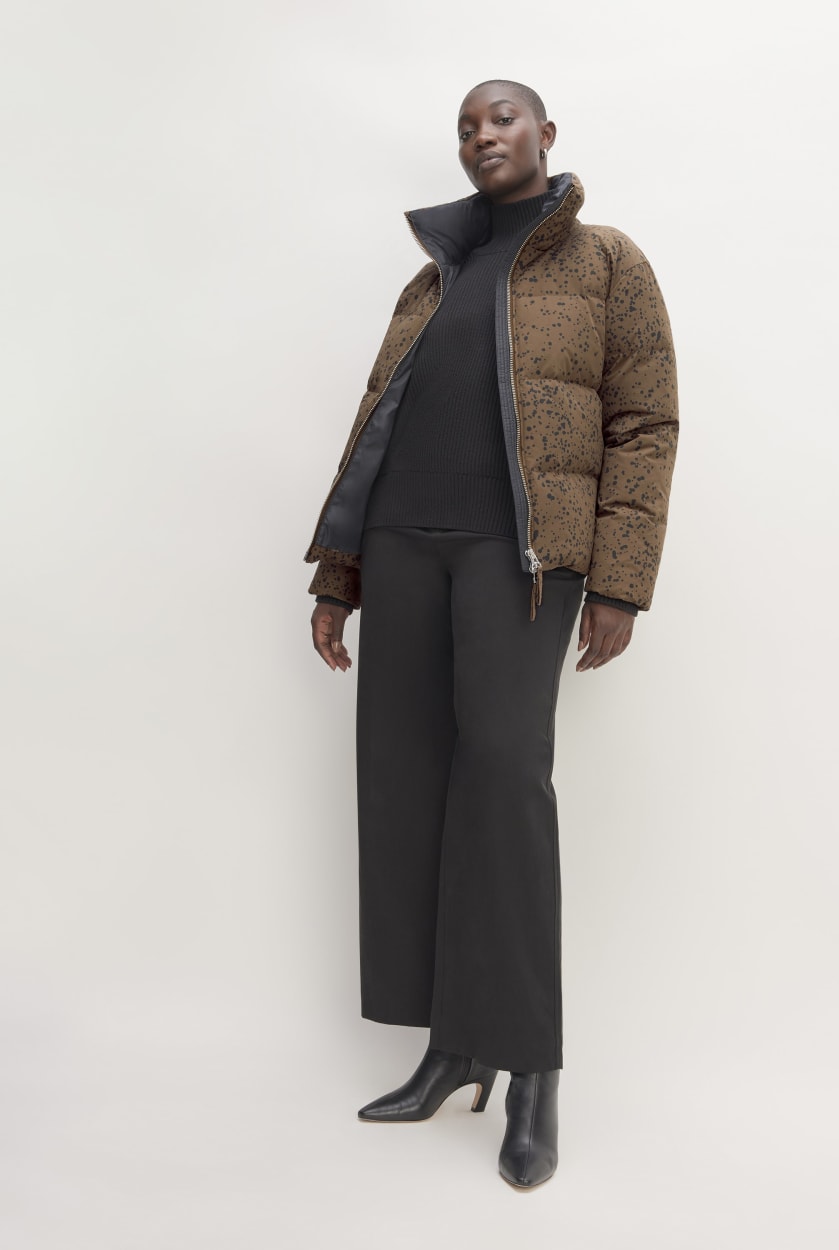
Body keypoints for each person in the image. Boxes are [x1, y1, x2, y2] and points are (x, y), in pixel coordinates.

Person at [303, 79, 679, 1189]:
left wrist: (618, 581)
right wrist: (341, 573)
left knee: (506, 784)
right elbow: (374, 428)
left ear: (545, 133)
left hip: (520, 563)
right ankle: (452, 1047)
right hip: (403, 548)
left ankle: (531, 1070)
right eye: (467, 126)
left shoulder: (607, 262)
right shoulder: (434, 276)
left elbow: (645, 423)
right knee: (409, 788)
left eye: (502, 119)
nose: (482, 136)